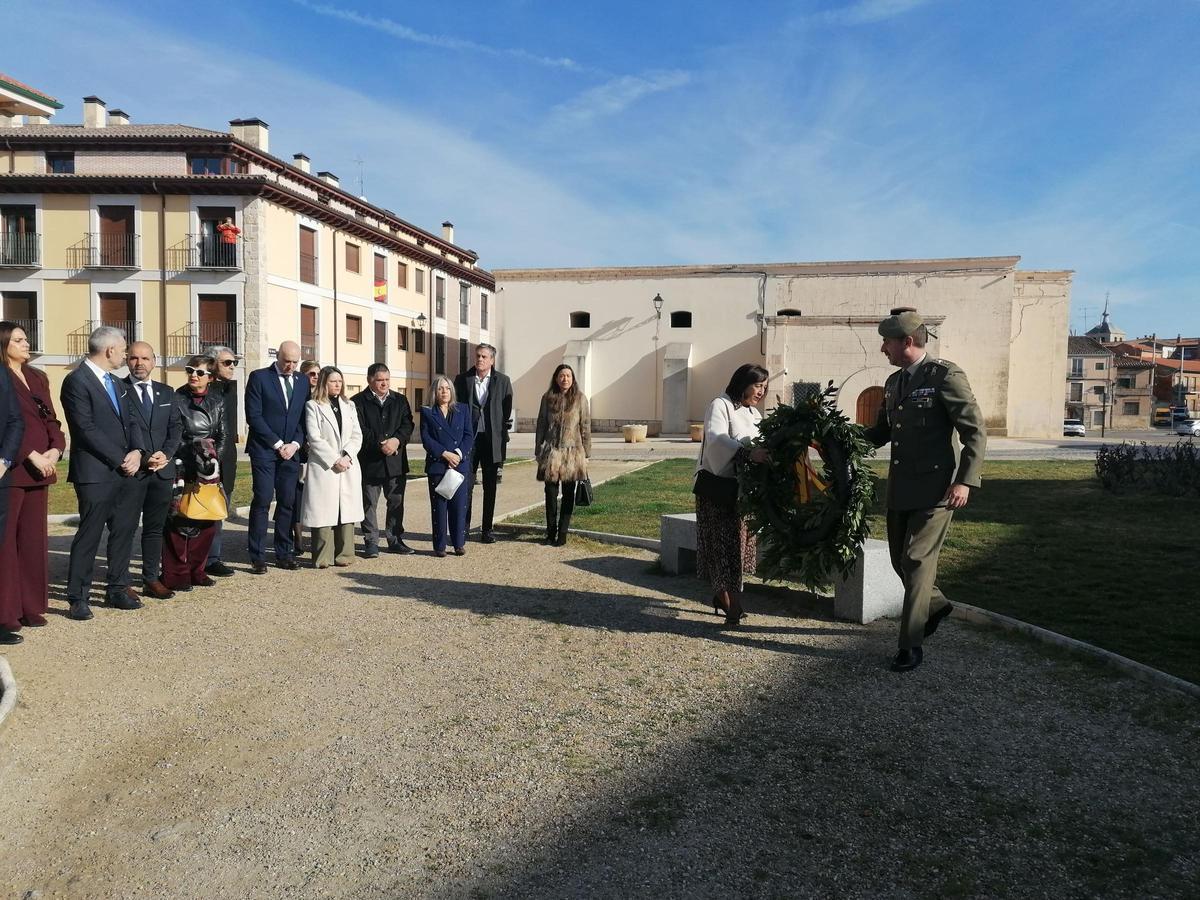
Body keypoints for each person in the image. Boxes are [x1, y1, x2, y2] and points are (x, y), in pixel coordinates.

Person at [863, 307, 986, 672]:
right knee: (900, 562)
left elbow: (974, 430)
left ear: (908, 341)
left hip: (938, 490)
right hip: (901, 488)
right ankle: (936, 605)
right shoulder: (893, 383)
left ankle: (910, 645)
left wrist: (966, 479)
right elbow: (880, 433)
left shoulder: (945, 376)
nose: (883, 348)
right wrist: (837, 440)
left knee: (917, 561)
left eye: (887, 341)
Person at [59, 326, 146, 621]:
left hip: (127, 471)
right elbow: (85, 429)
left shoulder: (118, 383)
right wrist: (120, 457)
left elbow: (132, 420)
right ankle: (78, 597)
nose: (125, 355)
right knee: (90, 534)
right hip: (95, 473)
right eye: (123, 350)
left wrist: (137, 452)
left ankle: (117, 588)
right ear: (109, 350)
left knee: (123, 532)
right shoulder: (76, 381)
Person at [694, 364, 770, 626]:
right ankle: (732, 604)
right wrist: (747, 453)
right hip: (719, 490)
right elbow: (715, 438)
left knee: (739, 546)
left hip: (743, 493)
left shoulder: (753, 413)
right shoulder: (721, 405)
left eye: (764, 386)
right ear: (743, 382)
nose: (762, 391)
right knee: (725, 548)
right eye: (758, 385)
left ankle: (722, 596)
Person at [0, 322, 49, 644]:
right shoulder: (3, 377)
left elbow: (50, 418)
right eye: (18, 339)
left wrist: (55, 448)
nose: (25, 343)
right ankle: (6, 614)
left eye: (25, 338)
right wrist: (28, 455)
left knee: (33, 541)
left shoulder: (37, 377)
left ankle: (31, 605)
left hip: (41, 468)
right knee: (5, 545)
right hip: (13, 469)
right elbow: (9, 424)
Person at [162, 356, 228, 591]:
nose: (193, 375)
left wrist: (210, 460)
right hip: (182, 466)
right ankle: (175, 574)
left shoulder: (217, 399)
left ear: (210, 377)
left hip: (208, 470)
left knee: (206, 519)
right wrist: (191, 457)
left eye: (200, 372)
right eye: (190, 370)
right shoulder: (176, 398)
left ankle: (197, 570)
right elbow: (172, 434)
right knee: (178, 520)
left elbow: (222, 435)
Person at [125, 341, 183, 600]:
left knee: (154, 528)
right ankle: (120, 580)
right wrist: (145, 456)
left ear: (154, 361)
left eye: (145, 358)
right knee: (124, 528)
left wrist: (167, 454)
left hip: (162, 471)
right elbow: (122, 430)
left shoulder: (166, 392)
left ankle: (151, 578)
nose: (140, 363)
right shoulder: (119, 391)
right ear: (127, 360)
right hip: (133, 472)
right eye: (135, 358)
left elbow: (176, 428)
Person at [244, 341, 308, 573]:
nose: (290, 366)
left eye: (294, 362)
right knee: (262, 500)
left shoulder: (302, 382)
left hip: (291, 453)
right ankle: (257, 555)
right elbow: (254, 416)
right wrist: (278, 443)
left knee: (287, 502)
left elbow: (303, 418)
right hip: (264, 450)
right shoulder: (259, 378)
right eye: (286, 361)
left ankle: (284, 553)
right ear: (277, 357)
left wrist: (295, 444)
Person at [301, 366, 364, 568]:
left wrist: (346, 456)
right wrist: (334, 459)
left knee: (346, 510)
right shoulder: (313, 405)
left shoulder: (349, 405)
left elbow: (357, 434)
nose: (337, 385)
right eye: (332, 381)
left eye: (339, 381)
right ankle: (323, 558)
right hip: (324, 466)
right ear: (323, 383)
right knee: (323, 511)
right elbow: (314, 437)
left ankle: (345, 555)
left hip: (348, 464)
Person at [351, 363, 415, 557]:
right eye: (380, 380)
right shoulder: (357, 402)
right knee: (369, 503)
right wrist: (381, 443)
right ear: (370, 380)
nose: (384, 384)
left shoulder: (400, 400)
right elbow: (359, 430)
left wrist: (396, 440)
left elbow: (408, 424)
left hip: (395, 462)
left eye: (387, 380)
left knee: (396, 502)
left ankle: (395, 539)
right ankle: (371, 541)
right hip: (370, 462)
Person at [454, 344, 512, 543]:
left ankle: (487, 529)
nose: (480, 359)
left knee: (490, 487)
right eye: (478, 356)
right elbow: (457, 407)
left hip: (491, 441)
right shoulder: (462, 380)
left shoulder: (503, 381)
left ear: (492, 360)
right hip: (469, 440)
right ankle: (464, 527)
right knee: (466, 485)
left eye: (484, 356)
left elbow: (506, 410)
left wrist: (499, 432)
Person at [534, 364, 591, 547]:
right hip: (551, 452)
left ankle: (563, 532)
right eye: (561, 376)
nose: (564, 379)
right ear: (556, 378)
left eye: (568, 376)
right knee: (550, 494)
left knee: (568, 494)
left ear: (572, 379)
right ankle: (550, 532)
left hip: (572, 453)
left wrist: (587, 454)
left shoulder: (580, 399)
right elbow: (541, 424)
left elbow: (585, 426)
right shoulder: (547, 398)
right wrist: (538, 449)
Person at [420, 375, 474, 557]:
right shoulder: (428, 412)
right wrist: (444, 454)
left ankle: (459, 543)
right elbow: (426, 439)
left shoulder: (463, 410)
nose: (444, 391)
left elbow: (468, 435)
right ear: (435, 391)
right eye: (440, 388)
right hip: (438, 465)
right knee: (439, 507)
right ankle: (440, 546)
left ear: (452, 391)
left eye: (448, 388)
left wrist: (458, 454)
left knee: (459, 507)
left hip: (459, 465)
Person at [204, 345, 240, 578]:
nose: (232, 366)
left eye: (234, 362)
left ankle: (213, 557)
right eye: (227, 362)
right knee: (202, 509)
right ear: (213, 364)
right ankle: (201, 558)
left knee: (219, 509)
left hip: (228, 459)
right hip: (207, 459)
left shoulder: (230, 389)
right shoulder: (206, 389)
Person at [292, 359, 320, 556]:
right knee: (298, 498)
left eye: (318, 374)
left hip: (317, 454)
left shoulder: (321, 397)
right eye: (312, 374)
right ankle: (298, 538)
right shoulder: (297, 395)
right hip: (299, 451)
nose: (316, 377)